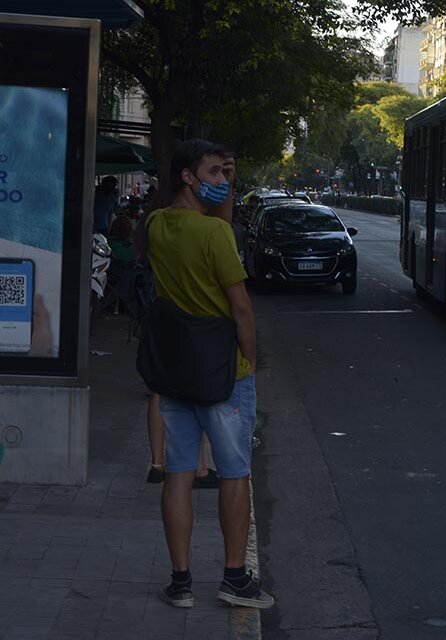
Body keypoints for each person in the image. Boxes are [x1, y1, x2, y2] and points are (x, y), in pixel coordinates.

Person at [147, 139, 272, 609]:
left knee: (178, 471)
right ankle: (235, 579)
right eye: (215, 173)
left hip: (175, 366)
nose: (222, 181)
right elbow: (241, 309)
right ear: (188, 176)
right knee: (234, 473)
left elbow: (207, 231)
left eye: (226, 173)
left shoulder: (158, 224)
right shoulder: (215, 235)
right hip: (224, 371)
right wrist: (252, 360)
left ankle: (180, 584)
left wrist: (228, 191)